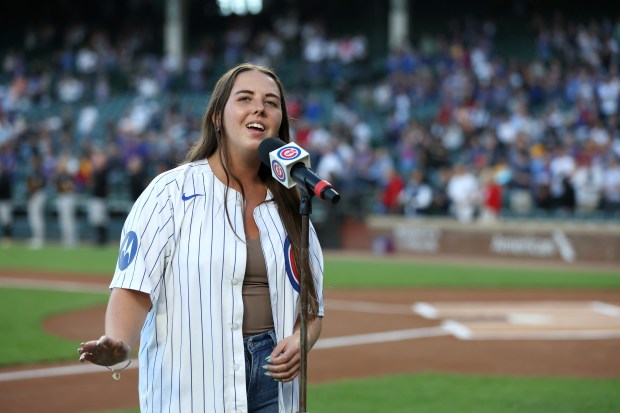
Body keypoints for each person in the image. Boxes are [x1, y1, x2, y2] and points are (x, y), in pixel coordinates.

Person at [78, 63, 325, 413]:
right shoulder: (169, 192)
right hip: (193, 386)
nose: (260, 107)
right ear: (216, 118)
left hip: (275, 384)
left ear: (279, 122)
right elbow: (133, 287)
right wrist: (118, 344)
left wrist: (304, 340)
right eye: (245, 98)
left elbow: (313, 306)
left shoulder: (292, 199)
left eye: (271, 102)